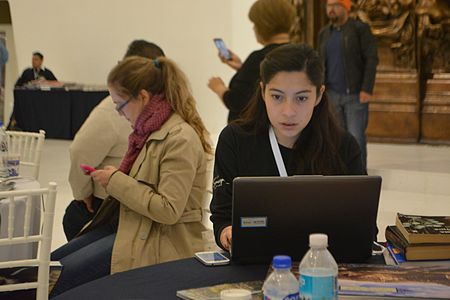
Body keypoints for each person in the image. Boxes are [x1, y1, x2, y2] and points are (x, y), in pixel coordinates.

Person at [50, 56, 212, 297]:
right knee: (49, 267)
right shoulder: (148, 131)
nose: (118, 113)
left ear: (143, 97)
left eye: (120, 104)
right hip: (136, 226)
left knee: (55, 281)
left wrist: (115, 181)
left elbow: (168, 209)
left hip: (160, 239)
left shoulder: (179, 138)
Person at [210, 44, 365, 252]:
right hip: (255, 264)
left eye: (301, 98)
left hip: (324, 265)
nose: (288, 112)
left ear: (319, 95)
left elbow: (364, 228)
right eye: (277, 97)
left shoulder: (343, 147)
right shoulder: (235, 140)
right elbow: (222, 215)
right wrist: (227, 233)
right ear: (263, 91)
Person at [63, 40, 166, 241]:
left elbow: (79, 151)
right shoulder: (166, 106)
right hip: (141, 205)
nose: (121, 112)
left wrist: (82, 193)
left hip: (121, 207)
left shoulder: (112, 108)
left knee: (73, 219)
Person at [207, 0, 296, 123]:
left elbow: (236, 100)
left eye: (255, 24)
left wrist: (218, 87)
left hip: (254, 134)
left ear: (263, 25)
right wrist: (242, 68)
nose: (254, 28)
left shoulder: (258, 59)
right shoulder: (299, 54)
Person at [317, 0, 378, 171]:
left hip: (355, 95)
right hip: (331, 95)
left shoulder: (360, 29)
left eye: (335, 5)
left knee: (356, 137)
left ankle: (360, 175)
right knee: (336, 137)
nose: (331, 9)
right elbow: (319, 62)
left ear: (346, 7)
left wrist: (367, 88)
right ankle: (341, 173)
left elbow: (371, 59)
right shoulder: (324, 33)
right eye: (328, 5)